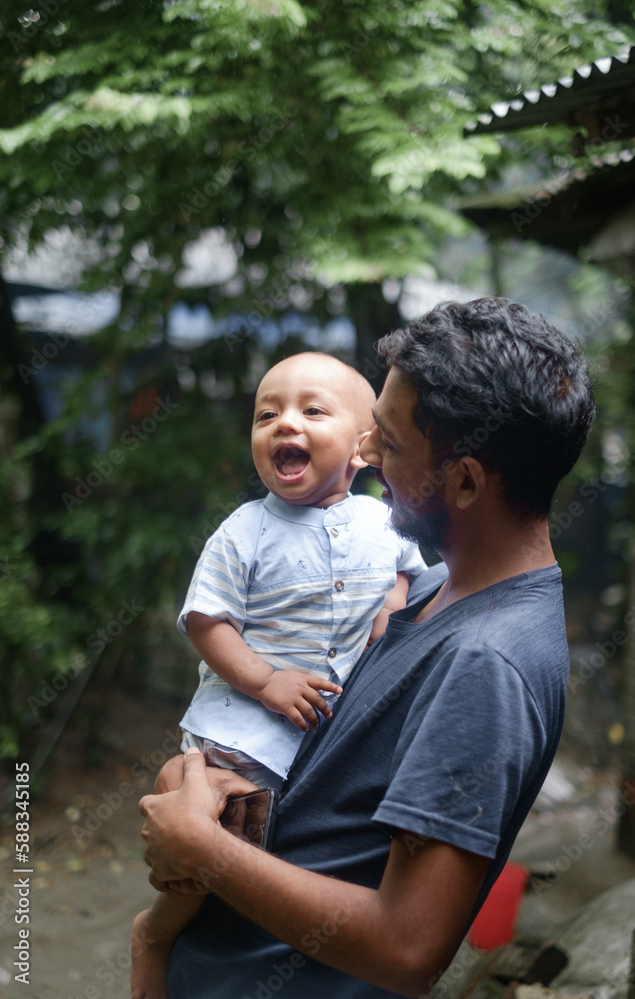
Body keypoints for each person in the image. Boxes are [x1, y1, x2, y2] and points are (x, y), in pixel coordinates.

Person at [138, 297, 596, 999]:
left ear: (466, 480)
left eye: (386, 439)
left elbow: (407, 947)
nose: (367, 454)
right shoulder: (428, 592)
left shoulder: (486, 663)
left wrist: (202, 849)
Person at [131, 352, 427, 999]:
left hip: (320, 748)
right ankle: (154, 933)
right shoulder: (245, 530)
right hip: (239, 738)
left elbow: (405, 568)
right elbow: (207, 622)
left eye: (311, 411)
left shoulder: (384, 520)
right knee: (206, 853)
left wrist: (392, 599)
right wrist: (265, 681)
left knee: (275, 872)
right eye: (268, 414)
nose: (284, 424)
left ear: (363, 444)